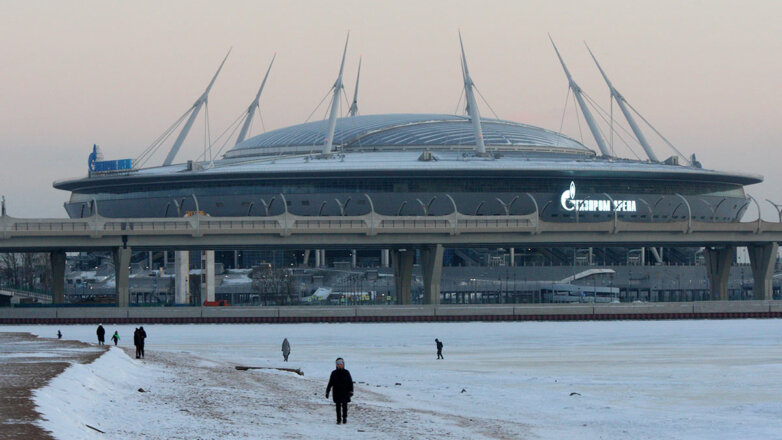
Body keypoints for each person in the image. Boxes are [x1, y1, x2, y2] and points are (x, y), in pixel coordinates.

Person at [326, 357, 354, 425]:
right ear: (336, 365)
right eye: (338, 364)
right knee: (338, 406)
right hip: (337, 392)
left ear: (343, 364)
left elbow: (350, 382)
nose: (340, 365)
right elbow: (330, 383)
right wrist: (327, 391)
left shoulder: (346, 372)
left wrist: (351, 391)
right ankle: (338, 419)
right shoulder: (334, 373)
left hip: (345, 392)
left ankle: (344, 418)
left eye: (341, 364)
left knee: (345, 406)